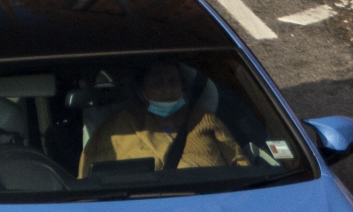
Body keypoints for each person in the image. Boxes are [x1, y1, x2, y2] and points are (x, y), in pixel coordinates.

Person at [79, 62, 248, 176]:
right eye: (157, 84)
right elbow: (94, 176)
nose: (167, 90)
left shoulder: (203, 118)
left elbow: (239, 163)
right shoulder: (118, 129)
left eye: (173, 82)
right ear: (141, 92)